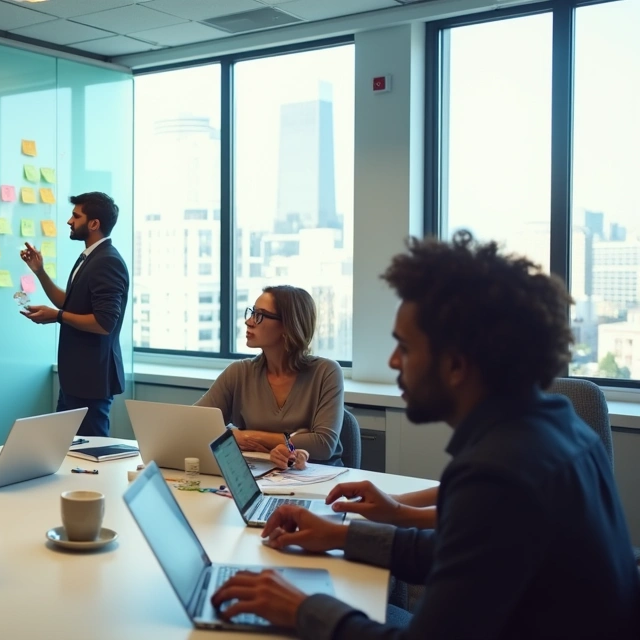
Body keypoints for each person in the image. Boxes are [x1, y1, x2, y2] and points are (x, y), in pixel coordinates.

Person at [210, 232, 640, 638]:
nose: (394, 361)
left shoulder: (501, 472)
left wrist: (301, 607)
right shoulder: (551, 426)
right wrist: (339, 535)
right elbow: (456, 553)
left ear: (456, 365)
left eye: (406, 347)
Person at [195, 285, 345, 466]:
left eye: (260, 315)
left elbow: (323, 444)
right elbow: (196, 424)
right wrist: (295, 438)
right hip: (257, 477)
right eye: (251, 313)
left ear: (288, 325)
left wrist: (246, 436)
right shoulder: (239, 372)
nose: (249, 322)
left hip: (318, 479)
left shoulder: (326, 372)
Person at [19, 192, 130, 437]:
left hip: (91, 379)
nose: (70, 221)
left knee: (93, 456)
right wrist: (40, 272)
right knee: (66, 451)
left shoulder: (107, 262)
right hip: (76, 379)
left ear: (94, 224)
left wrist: (57, 316)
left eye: (75, 216)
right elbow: (69, 304)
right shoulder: (89, 258)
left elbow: (104, 323)